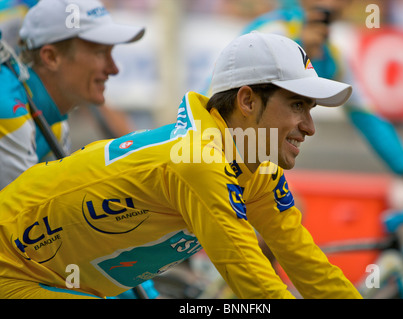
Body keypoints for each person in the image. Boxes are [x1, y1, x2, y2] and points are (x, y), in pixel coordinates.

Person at [0, 31, 362, 299]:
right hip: (12, 270)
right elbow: (258, 288)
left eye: (311, 110)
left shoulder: (261, 168)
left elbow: (309, 267)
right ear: (247, 101)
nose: (309, 127)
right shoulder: (200, 161)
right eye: (298, 106)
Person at [242, 0, 403, 205]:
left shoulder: (332, 56)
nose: (309, 128)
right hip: (220, 149)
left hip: (247, 157)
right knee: (286, 210)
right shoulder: (271, 31)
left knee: (287, 213)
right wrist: (296, 50)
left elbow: (371, 123)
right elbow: (228, 102)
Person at [0, 0, 145, 190]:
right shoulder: (9, 111)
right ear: (51, 57)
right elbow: (22, 217)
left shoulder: (57, 125)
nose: (114, 69)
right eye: (101, 53)